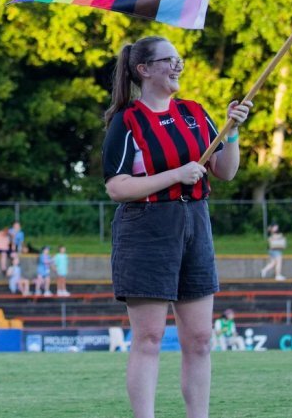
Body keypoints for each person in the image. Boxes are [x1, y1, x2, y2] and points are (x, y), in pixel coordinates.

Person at [103, 36, 251, 418]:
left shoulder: (196, 112)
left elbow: (226, 171)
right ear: (144, 69)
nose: (177, 66)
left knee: (201, 339)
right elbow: (116, 187)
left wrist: (232, 132)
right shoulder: (127, 120)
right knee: (150, 338)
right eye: (168, 60)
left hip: (195, 224)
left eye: (178, 59)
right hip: (146, 229)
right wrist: (175, 175)